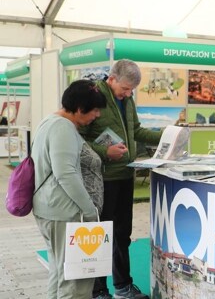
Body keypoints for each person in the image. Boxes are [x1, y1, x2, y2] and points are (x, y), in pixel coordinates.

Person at [79, 59, 162, 299]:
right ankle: (98, 289)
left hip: (126, 174)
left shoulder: (127, 100)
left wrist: (166, 135)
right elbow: (77, 140)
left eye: (131, 91)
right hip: (101, 179)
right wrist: (106, 153)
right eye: (124, 89)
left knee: (122, 234)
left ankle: (123, 285)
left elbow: (136, 131)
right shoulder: (92, 97)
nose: (127, 94)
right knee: (101, 235)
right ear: (111, 78)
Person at [32, 79, 107, 298]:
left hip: (52, 211)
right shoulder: (62, 127)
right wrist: (90, 210)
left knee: (59, 273)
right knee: (75, 283)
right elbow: (65, 174)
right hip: (64, 213)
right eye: (94, 110)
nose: (97, 115)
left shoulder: (49, 121)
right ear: (80, 108)